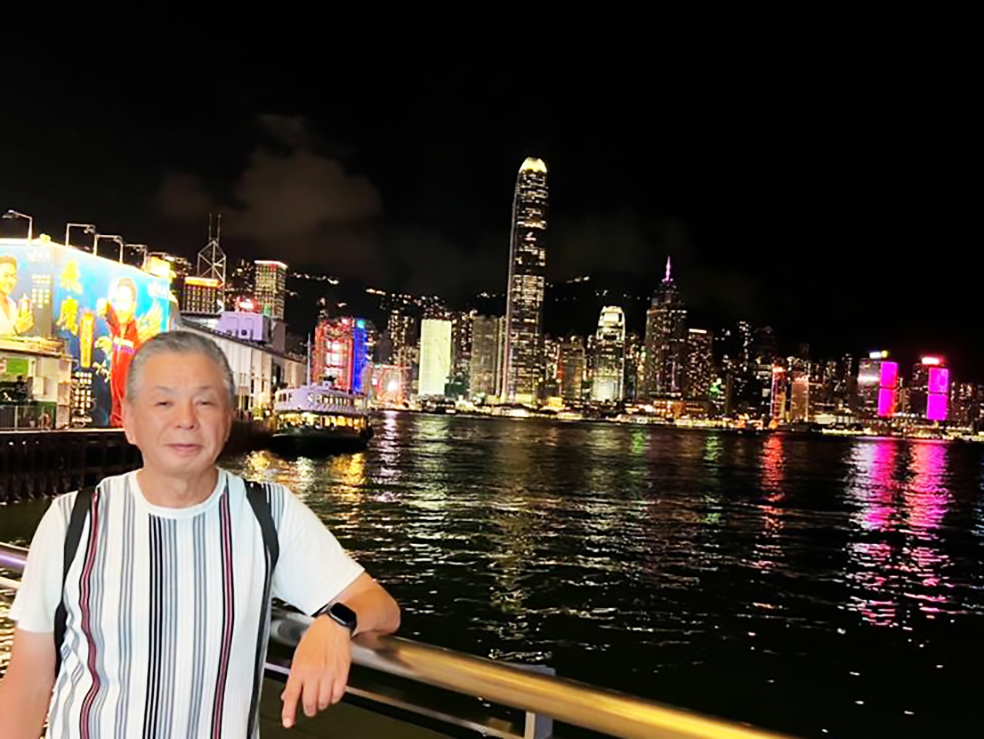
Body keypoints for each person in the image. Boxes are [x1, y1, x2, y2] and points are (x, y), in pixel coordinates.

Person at [0, 330, 400, 737]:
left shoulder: (269, 514)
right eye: (164, 402)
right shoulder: (73, 519)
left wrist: (336, 623)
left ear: (227, 422)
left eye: (205, 402)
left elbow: (380, 606)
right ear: (130, 421)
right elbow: (28, 682)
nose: (186, 419)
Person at [0, 255, 33, 336]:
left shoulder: (12, 305)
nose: (10, 281)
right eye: (6, 276)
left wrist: (23, 326)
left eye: (13, 276)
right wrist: (17, 329)